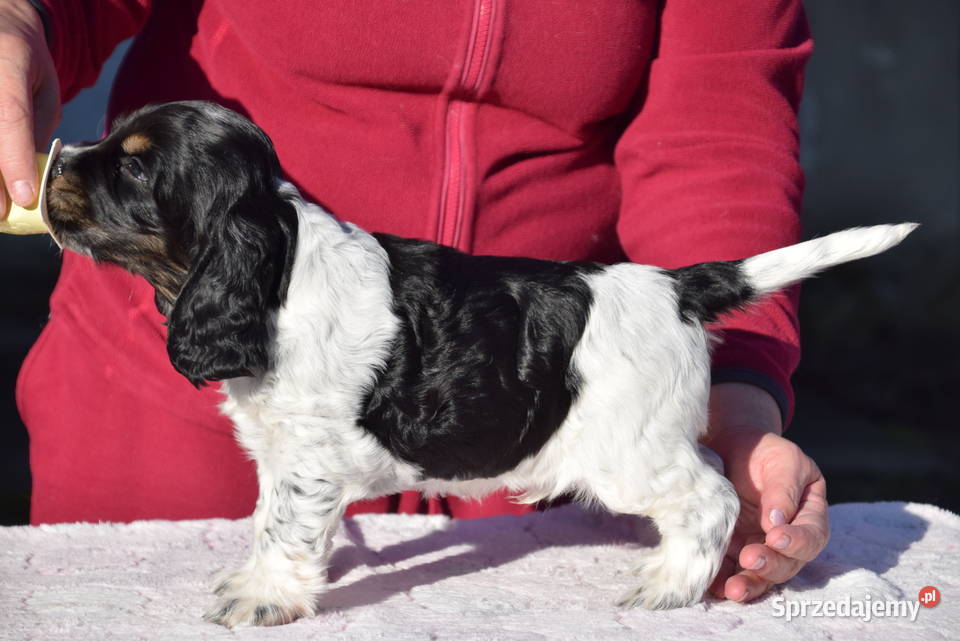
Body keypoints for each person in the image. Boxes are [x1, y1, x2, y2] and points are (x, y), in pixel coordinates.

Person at [0, 0, 829, 604]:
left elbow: (717, 122)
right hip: (169, 397)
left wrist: (735, 387)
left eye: (131, 164)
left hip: (547, 382)